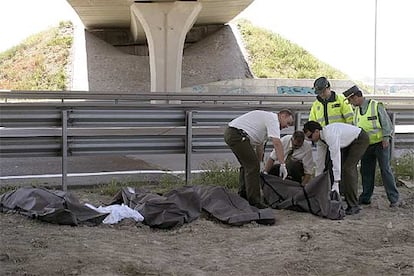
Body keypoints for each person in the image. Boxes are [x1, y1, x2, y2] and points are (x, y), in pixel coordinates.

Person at [224, 109, 294, 208]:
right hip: (237, 135)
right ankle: (255, 201)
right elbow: (277, 143)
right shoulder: (273, 119)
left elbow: (260, 145)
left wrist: (260, 162)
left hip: (234, 133)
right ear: (283, 116)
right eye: (287, 123)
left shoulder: (266, 123)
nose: (286, 126)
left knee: (248, 165)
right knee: (252, 166)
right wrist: (282, 164)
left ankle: (243, 195)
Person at [343, 85, 401, 207]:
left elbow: (386, 123)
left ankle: (394, 198)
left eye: (350, 100)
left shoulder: (375, 106)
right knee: (366, 171)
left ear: (357, 97)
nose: (350, 103)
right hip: (366, 145)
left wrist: (386, 138)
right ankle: (366, 197)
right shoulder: (357, 111)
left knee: (385, 170)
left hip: (381, 144)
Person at [303, 121, 369, 215]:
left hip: (359, 139)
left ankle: (354, 205)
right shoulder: (321, 139)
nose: (310, 140)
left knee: (348, 169)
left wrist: (336, 182)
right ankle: (340, 196)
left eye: (310, 137)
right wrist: (317, 181)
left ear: (317, 131)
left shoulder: (330, 136)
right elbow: (320, 162)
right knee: (333, 168)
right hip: (347, 142)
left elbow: (335, 158)